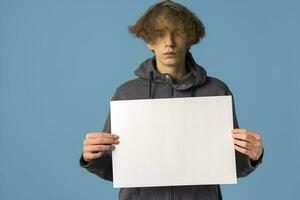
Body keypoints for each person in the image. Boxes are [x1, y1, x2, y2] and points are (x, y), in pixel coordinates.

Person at [79, 1, 264, 199]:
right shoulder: (126, 94)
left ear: (190, 39)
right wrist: (91, 157)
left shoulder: (216, 91)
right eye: (159, 34)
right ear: (149, 41)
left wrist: (253, 156)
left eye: (177, 32)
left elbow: (230, 167)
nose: (169, 42)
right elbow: (114, 170)